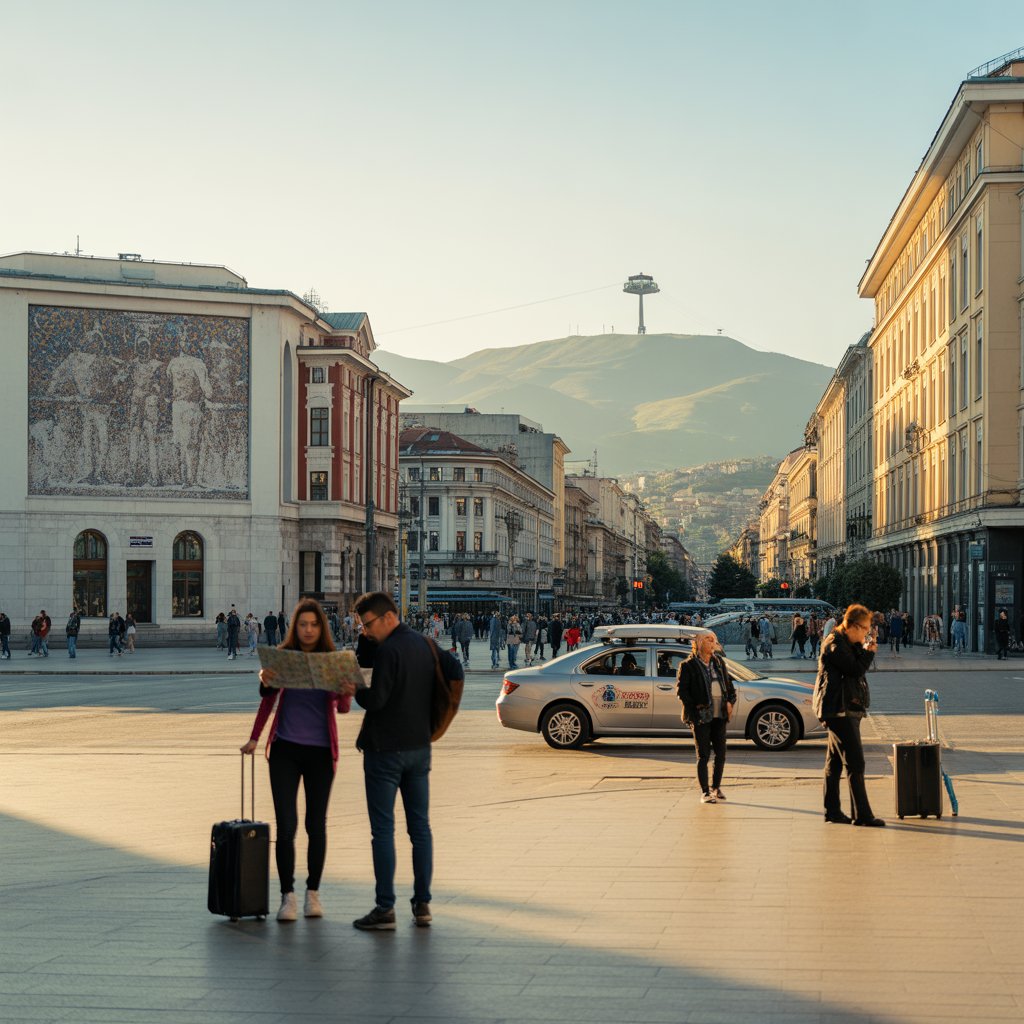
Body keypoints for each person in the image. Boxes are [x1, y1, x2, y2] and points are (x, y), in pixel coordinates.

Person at [347, 591, 463, 931]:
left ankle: (385, 908)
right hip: (419, 748)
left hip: (385, 750)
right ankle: (422, 904)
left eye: (367, 625)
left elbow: (376, 700)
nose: (365, 632)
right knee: (420, 829)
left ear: (387, 617)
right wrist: (435, 721)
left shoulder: (390, 652)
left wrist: (353, 686)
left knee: (383, 831)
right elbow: (454, 670)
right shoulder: (425, 644)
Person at [242, 597, 352, 922]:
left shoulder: (332, 660)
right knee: (286, 825)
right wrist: (254, 738)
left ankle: (312, 894)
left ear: (322, 628)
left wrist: (345, 691)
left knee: (315, 825)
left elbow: (343, 709)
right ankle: (287, 896)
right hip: (285, 750)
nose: (308, 629)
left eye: (314, 624)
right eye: (303, 624)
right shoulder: (284, 658)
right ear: (295, 627)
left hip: (321, 752)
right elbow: (268, 701)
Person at [812, 603, 884, 827]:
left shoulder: (845, 641)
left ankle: (832, 811)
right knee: (855, 762)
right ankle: (862, 815)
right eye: (864, 629)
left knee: (834, 762)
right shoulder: (835, 643)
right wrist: (869, 653)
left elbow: (854, 664)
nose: (866, 633)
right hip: (838, 709)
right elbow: (854, 669)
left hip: (843, 707)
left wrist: (864, 646)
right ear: (852, 626)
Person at [676, 631, 736, 804]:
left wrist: (731, 701)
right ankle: (705, 792)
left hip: (720, 715)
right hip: (701, 716)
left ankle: (716, 788)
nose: (713, 643)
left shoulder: (719, 663)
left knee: (721, 754)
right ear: (700, 643)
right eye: (709, 640)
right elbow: (682, 692)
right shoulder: (688, 665)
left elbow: (729, 686)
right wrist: (694, 710)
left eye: (714, 640)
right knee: (703, 755)